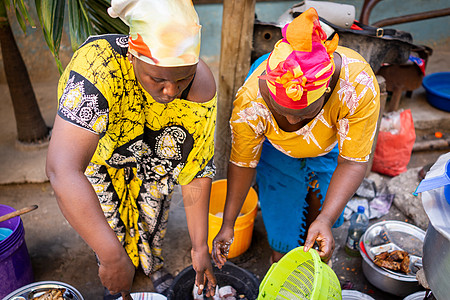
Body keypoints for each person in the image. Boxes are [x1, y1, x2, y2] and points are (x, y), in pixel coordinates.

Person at [46, 0, 218, 298]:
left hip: (155, 157)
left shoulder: (200, 89)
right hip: (101, 156)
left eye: (182, 78)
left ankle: (152, 266)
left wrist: (200, 246)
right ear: (132, 54)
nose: (171, 92)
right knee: (108, 223)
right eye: (158, 79)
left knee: (154, 217)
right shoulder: (95, 71)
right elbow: (62, 169)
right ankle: (115, 268)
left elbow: (196, 169)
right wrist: (111, 257)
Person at [212, 8, 380, 267]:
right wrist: (228, 223)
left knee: (321, 223)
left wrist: (324, 220)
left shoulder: (356, 85)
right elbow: (243, 163)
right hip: (277, 155)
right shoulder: (250, 103)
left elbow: (352, 162)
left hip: (329, 150)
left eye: (304, 115)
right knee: (283, 239)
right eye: (282, 112)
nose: (292, 122)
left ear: (327, 91)